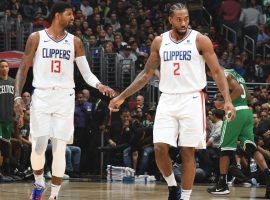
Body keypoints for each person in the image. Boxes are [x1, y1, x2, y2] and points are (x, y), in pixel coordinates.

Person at [109, 3, 236, 200]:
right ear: (170, 19)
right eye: (179, 19)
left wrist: (227, 100)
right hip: (167, 99)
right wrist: (122, 96)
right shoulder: (160, 42)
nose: (184, 22)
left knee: (187, 151)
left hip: (192, 98)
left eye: (186, 18)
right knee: (159, 148)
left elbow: (218, 72)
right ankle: (172, 187)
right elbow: (146, 74)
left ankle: (185, 197)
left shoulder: (200, 40)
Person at [13, 2, 114, 200]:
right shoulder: (36, 38)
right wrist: (17, 95)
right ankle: (40, 182)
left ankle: (55, 196)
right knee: (39, 147)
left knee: (60, 148)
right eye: (69, 14)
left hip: (65, 97)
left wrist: (100, 85)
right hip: (41, 95)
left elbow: (86, 73)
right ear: (58, 15)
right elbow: (23, 69)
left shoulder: (75, 41)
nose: (73, 18)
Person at [207, 68, 270, 198]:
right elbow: (247, 95)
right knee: (251, 147)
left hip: (234, 113)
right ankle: (268, 174)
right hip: (246, 112)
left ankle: (222, 185)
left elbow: (239, 91)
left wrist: (225, 103)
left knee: (225, 149)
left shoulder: (223, 75)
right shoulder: (235, 73)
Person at [0, 59, 16, 182]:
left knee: (6, 147)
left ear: (9, 68)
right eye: (2, 66)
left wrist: (19, 116)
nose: (4, 68)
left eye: (6, 66)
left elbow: (17, 101)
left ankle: (6, 171)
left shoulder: (13, 82)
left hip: (8, 120)